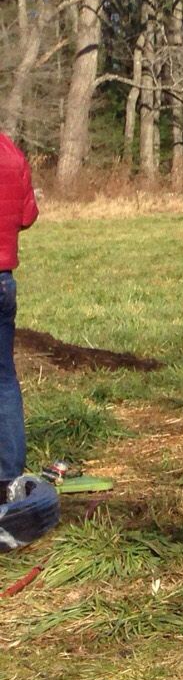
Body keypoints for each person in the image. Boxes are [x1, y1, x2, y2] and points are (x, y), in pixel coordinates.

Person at [0, 133, 39, 496]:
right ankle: (9, 478)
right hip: (2, 281)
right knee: (4, 379)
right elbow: (27, 214)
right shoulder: (10, 151)